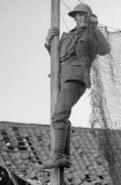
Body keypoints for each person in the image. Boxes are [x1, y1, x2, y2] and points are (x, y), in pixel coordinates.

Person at [42, 3, 110, 169]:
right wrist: (49, 41)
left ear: (89, 16)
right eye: (78, 15)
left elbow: (105, 49)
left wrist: (94, 27)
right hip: (59, 78)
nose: (81, 18)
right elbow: (57, 58)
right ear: (74, 18)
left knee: (59, 115)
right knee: (61, 115)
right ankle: (64, 156)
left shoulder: (92, 33)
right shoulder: (66, 36)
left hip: (76, 77)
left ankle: (58, 155)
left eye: (84, 15)